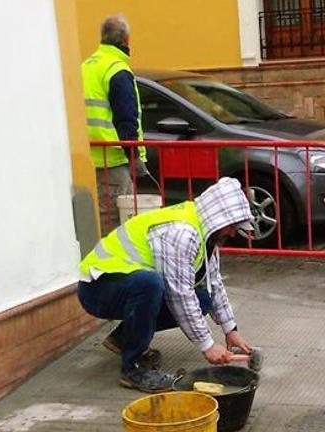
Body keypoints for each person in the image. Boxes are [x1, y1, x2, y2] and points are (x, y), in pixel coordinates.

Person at [78, 177, 256, 393]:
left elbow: (214, 283)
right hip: (98, 288)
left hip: (123, 284)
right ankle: (133, 369)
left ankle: (123, 338)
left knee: (203, 299)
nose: (232, 232)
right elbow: (179, 294)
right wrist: (207, 345)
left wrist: (231, 330)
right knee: (150, 285)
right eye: (232, 226)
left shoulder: (205, 234)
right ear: (219, 216)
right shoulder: (182, 233)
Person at [82, 14, 147, 231]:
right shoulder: (116, 69)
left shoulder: (86, 66)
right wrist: (134, 157)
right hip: (114, 159)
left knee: (100, 219)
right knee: (120, 223)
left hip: (88, 158)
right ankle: (114, 264)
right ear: (126, 40)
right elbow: (126, 120)